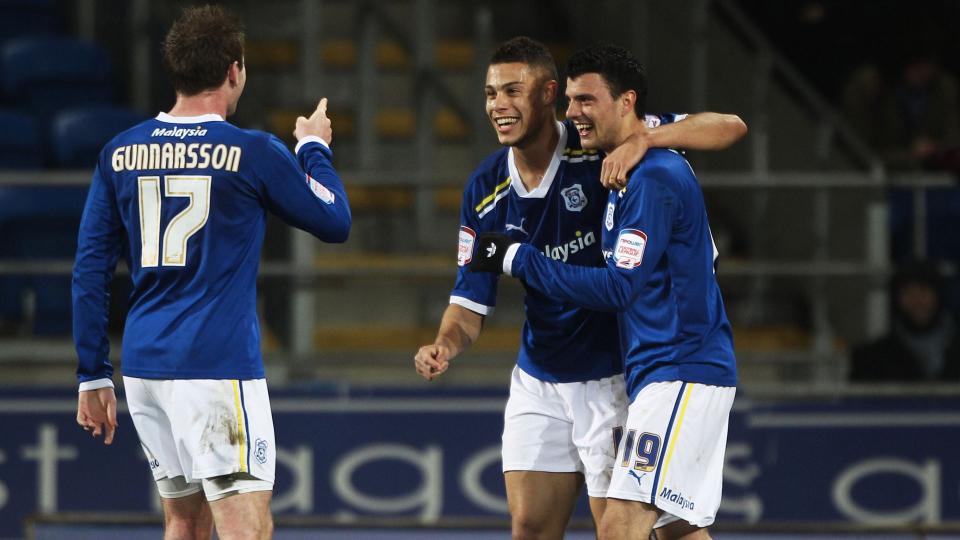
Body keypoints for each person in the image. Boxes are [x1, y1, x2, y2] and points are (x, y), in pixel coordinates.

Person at [414, 36, 745, 539]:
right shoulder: (485, 191)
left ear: (546, 95)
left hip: (615, 373)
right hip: (541, 373)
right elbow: (469, 300)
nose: (498, 105)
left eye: (511, 91)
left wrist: (646, 138)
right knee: (532, 527)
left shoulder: (610, 148)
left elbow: (730, 126)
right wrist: (444, 344)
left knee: (632, 527)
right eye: (488, 94)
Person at [72, 6, 350, 540]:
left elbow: (91, 267)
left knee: (184, 520)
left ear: (174, 71)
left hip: (146, 369)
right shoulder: (253, 152)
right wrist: (314, 149)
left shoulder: (119, 152)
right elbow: (334, 220)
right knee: (246, 527)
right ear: (235, 70)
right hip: (217, 368)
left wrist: (92, 372)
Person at [850, 261, 960, 382]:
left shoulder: (955, 348)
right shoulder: (871, 358)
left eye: (924, 290)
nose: (917, 301)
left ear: (938, 294)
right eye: (908, 292)